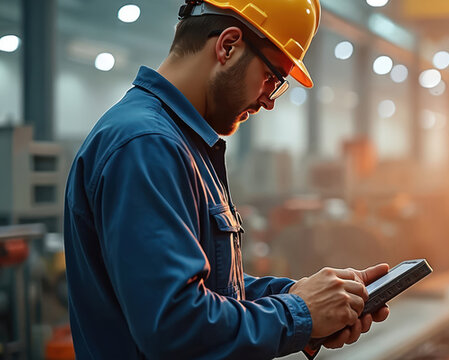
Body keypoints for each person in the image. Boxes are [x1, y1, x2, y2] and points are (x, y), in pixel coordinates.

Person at [62, 0, 388, 358]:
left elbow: (212, 290)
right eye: (272, 77)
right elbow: (176, 325)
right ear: (228, 45)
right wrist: (300, 314)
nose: (269, 101)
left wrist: (303, 296)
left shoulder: (181, 143)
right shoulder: (147, 144)